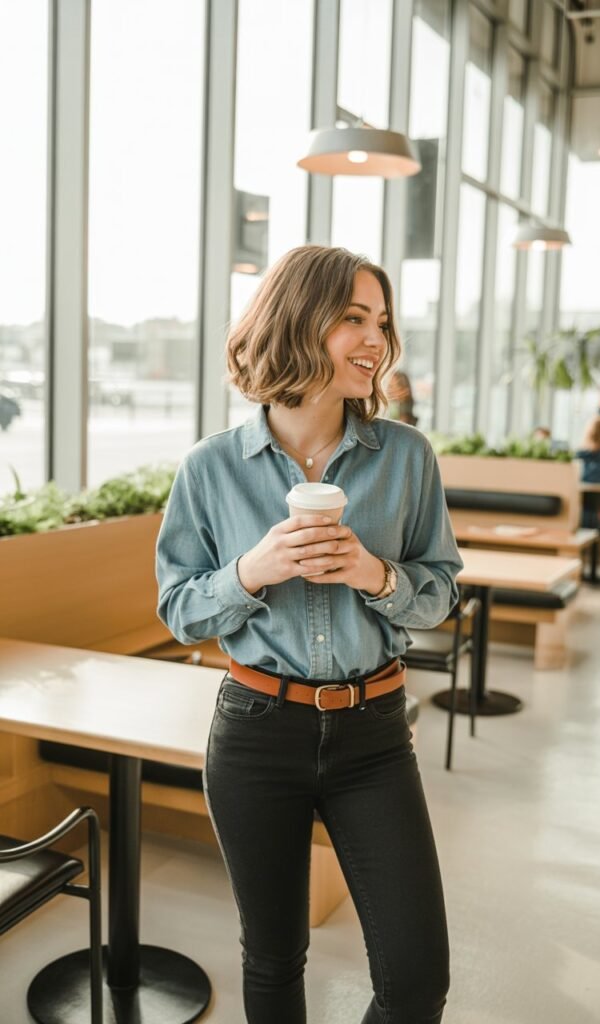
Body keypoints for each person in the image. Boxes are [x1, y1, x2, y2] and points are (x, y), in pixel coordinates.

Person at [156, 244, 462, 1024]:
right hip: (256, 733)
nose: (377, 341)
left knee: (417, 977)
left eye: (382, 322)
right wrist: (251, 570)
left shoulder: (407, 458)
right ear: (298, 323)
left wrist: (376, 575)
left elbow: (442, 596)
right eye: (354, 318)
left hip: (375, 734)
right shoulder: (210, 467)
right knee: (272, 958)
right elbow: (179, 609)